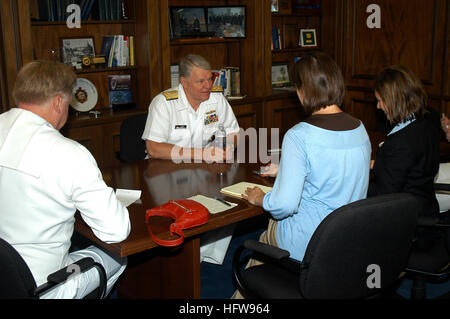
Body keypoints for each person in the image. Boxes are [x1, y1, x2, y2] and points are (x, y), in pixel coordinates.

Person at [233, 52, 371, 298]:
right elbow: (335, 169)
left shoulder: (299, 135)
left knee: (267, 234)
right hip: (348, 240)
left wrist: (259, 198)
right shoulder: (360, 129)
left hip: (309, 244)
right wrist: (287, 169)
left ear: (303, 90)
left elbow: (284, 206)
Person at [0, 60, 130, 298]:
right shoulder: (69, 153)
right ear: (59, 102)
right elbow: (116, 232)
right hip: (45, 284)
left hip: (4, 274)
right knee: (117, 257)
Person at [368, 65, 441, 217]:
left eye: (381, 101)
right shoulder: (428, 121)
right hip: (426, 205)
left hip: (405, 220)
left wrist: (353, 186)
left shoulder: (400, 143)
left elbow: (384, 196)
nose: (378, 106)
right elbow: (409, 167)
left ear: (395, 99)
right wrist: (380, 164)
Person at [142, 54, 240, 163]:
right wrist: (202, 153)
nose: (208, 85)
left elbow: (233, 131)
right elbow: (153, 149)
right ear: (184, 82)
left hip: (207, 169)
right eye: (201, 81)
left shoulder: (217, 99)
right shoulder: (164, 103)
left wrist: (228, 147)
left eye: (209, 79)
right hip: (167, 168)